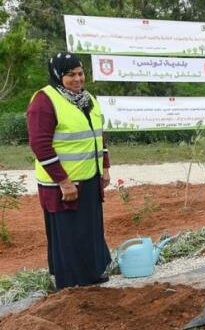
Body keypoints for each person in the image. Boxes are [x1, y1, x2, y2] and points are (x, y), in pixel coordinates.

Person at [26, 52, 111, 289]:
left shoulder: (87, 99)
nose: (77, 79)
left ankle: (93, 275)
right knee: (69, 234)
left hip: (89, 179)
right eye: (70, 74)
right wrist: (63, 181)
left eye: (80, 73)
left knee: (89, 230)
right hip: (63, 184)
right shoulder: (44, 100)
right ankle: (72, 286)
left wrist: (104, 168)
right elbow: (40, 144)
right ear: (57, 75)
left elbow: (98, 135)